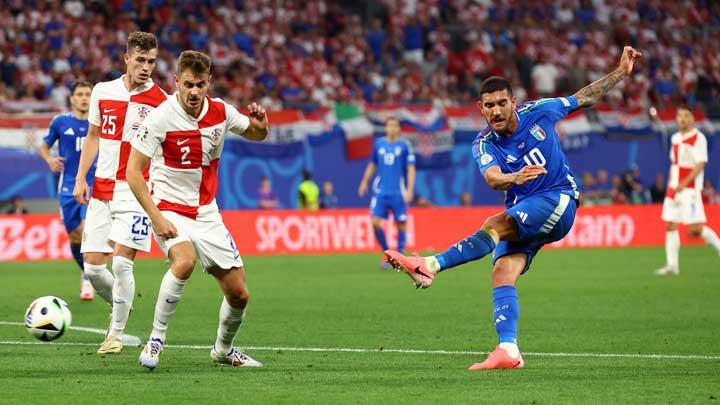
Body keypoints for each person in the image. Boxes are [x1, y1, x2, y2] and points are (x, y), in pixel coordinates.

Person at [385, 46, 642, 370]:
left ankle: (430, 265)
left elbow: (584, 97)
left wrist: (620, 73)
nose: (496, 111)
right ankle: (508, 349)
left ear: (513, 102)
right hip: (525, 208)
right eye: (489, 105)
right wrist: (513, 177)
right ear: (480, 108)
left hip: (559, 198)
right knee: (502, 271)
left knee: (494, 224)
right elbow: (492, 178)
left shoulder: (541, 112)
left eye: (501, 103)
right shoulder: (484, 143)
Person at [127, 50, 268, 370]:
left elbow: (255, 133)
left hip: (206, 213)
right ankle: (156, 339)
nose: (193, 92)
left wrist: (261, 127)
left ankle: (224, 349)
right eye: (187, 84)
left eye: (200, 85)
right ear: (176, 82)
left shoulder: (221, 112)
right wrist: (156, 216)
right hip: (169, 208)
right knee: (185, 260)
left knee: (239, 294)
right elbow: (133, 172)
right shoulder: (160, 117)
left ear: (209, 83)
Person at [73, 32, 167, 354]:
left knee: (122, 265)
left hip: (135, 191)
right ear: (126, 58)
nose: (146, 67)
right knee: (93, 268)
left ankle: (114, 335)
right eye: (140, 60)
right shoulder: (103, 91)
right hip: (101, 188)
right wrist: (80, 177)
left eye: (151, 61)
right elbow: (94, 136)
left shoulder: (161, 102)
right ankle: (122, 304)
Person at [38, 81, 95, 301]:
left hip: (93, 186)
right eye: (79, 94)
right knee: (74, 237)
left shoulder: (97, 123)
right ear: (71, 98)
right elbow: (43, 146)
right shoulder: (60, 122)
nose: (84, 98)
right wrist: (49, 159)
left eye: (87, 94)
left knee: (86, 231)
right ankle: (85, 270)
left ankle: (89, 278)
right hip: (67, 188)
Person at [655, 105, 720, 275]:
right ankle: (672, 266)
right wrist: (671, 183)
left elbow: (700, 164)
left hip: (689, 188)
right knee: (670, 224)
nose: (682, 119)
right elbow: (674, 163)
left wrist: (684, 183)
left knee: (695, 229)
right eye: (680, 116)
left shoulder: (699, 138)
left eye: (686, 116)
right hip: (673, 188)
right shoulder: (675, 138)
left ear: (692, 118)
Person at [358, 117, 416, 265]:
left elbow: (410, 169)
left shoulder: (404, 145)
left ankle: (401, 256)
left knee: (401, 224)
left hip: (398, 192)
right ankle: (387, 254)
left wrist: (409, 190)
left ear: (398, 128)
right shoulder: (379, 144)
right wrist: (364, 181)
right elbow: (372, 164)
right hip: (381, 192)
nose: (392, 128)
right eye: (389, 125)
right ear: (385, 128)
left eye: (395, 125)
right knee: (375, 222)